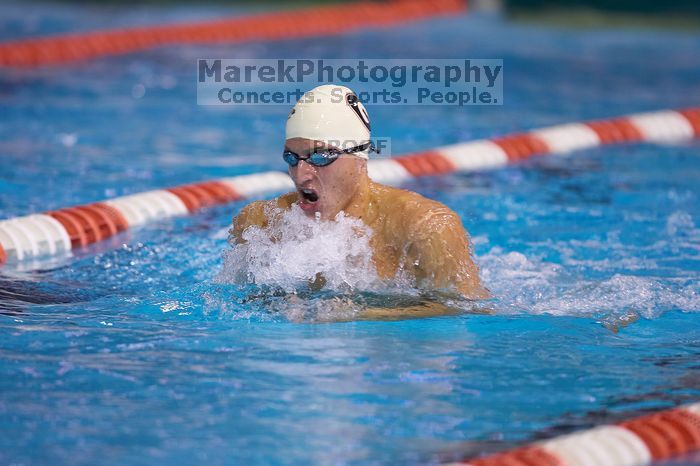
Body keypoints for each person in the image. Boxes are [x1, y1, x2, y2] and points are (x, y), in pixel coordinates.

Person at [230, 84, 488, 301]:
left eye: (320, 156)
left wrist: (358, 315)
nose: (301, 174)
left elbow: (466, 309)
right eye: (291, 157)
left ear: (360, 157)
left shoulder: (425, 227)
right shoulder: (260, 224)